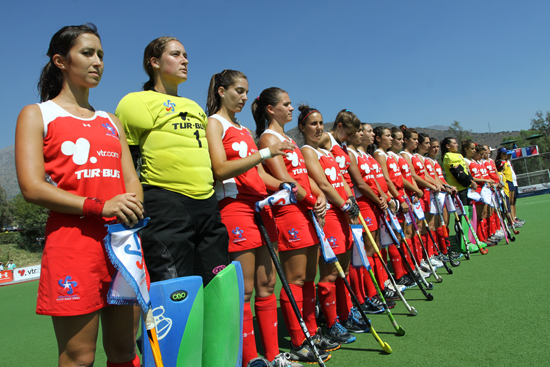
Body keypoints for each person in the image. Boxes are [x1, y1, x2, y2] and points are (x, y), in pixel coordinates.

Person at [15, 24, 144, 367]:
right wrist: (99, 207)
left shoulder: (111, 121)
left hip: (122, 246)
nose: (97, 61)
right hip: (73, 246)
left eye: (101, 54)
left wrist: (132, 206)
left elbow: (131, 179)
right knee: (79, 357)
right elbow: (32, 187)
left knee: (124, 353)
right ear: (60, 60)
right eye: (87, 53)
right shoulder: (37, 114)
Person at [204, 70, 300, 367]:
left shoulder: (243, 130)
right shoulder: (214, 123)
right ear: (221, 91)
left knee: (267, 284)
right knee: (244, 291)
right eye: (239, 91)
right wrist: (266, 153)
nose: (244, 98)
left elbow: (257, 175)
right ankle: (251, 359)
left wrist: (284, 185)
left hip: (262, 209)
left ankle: (274, 356)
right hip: (235, 209)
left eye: (247, 92)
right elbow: (219, 169)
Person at [115, 37, 229, 286]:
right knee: (176, 293)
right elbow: (125, 162)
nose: (185, 60)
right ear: (154, 62)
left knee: (218, 287)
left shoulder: (195, 107)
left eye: (186, 55)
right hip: (166, 205)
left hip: (207, 204)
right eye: (176, 54)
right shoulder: (135, 102)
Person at [253, 88, 331, 364]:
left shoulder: (287, 139)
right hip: (289, 213)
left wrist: (319, 199)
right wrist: (311, 198)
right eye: (285, 104)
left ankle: (312, 332)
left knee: (308, 278)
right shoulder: (268, 137)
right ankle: (299, 340)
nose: (290, 108)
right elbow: (283, 177)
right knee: (294, 280)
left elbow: (304, 177)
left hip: (305, 210)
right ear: (271, 109)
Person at [298, 104, 368, 346]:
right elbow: (324, 185)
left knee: (344, 271)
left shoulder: (328, 152)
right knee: (329, 273)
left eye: (320, 123)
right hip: (330, 215)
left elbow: (343, 182)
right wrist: (346, 205)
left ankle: (345, 315)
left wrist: (352, 203)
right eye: (313, 124)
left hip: (344, 215)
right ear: (302, 128)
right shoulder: (307, 151)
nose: (318, 128)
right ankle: (330, 323)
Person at [440, 137, 478, 253]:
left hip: (466, 189)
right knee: (462, 216)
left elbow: (466, 170)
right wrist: (470, 182)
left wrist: (472, 180)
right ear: (447, 146)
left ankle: (470, 240)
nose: (457, 145)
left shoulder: (458, 155)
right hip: (459, 190)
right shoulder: (448, 156)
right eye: (454, 143)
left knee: (468, 215)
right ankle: (463, 242)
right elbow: (458, 172)